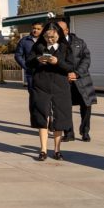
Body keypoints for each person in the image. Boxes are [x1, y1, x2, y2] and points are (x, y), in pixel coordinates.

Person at [26, 22, 74, 160]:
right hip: (41, 84)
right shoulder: (38, 46)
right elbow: (28, 62)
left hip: (60, 85)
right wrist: (38, 60)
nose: (50, 40)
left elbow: (71, 66)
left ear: (59, 35)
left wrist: (57, 62)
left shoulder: (65, 48)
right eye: (47, 37)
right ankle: (43, 150)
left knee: (60, 116)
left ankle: (57, 150)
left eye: (53, 37)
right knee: (42, 115)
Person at [57, 20, 98, 142]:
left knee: (86, 106)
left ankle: (85, 131)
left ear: (67, 30)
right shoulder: (54, 44)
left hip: (82, 79)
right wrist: (65, 74)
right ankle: (69, 133)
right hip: (64, 80)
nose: (57, 32)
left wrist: (77, 73)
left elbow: (86, 59)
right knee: (65, 107)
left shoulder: (79, 42)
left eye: (60, 29)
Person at [14, 21, 44, 115]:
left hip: (45, 73)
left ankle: (48, 119)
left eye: (38, 29)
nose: (35, 30)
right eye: (34, 28)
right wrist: (26, 66)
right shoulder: (24, 41)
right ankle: (34, 119)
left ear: (42, 29)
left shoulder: (46, 40)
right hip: (31, 74)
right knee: (34, 97)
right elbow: (18, 55)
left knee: (46, 98)